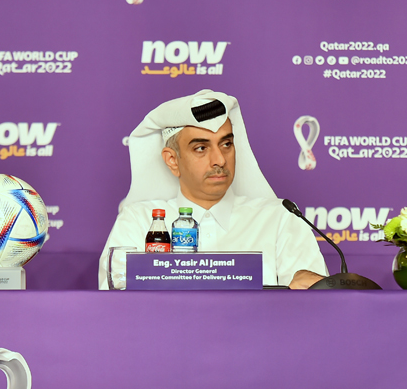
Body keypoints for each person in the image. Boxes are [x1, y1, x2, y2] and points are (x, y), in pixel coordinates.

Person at [98, 90, 328, 289]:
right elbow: (118, 307)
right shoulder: (137, 222)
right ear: (172, 161)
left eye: (226, 144)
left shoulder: (280, 218)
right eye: (201, 148)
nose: (219, 159)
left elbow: (311, 308)